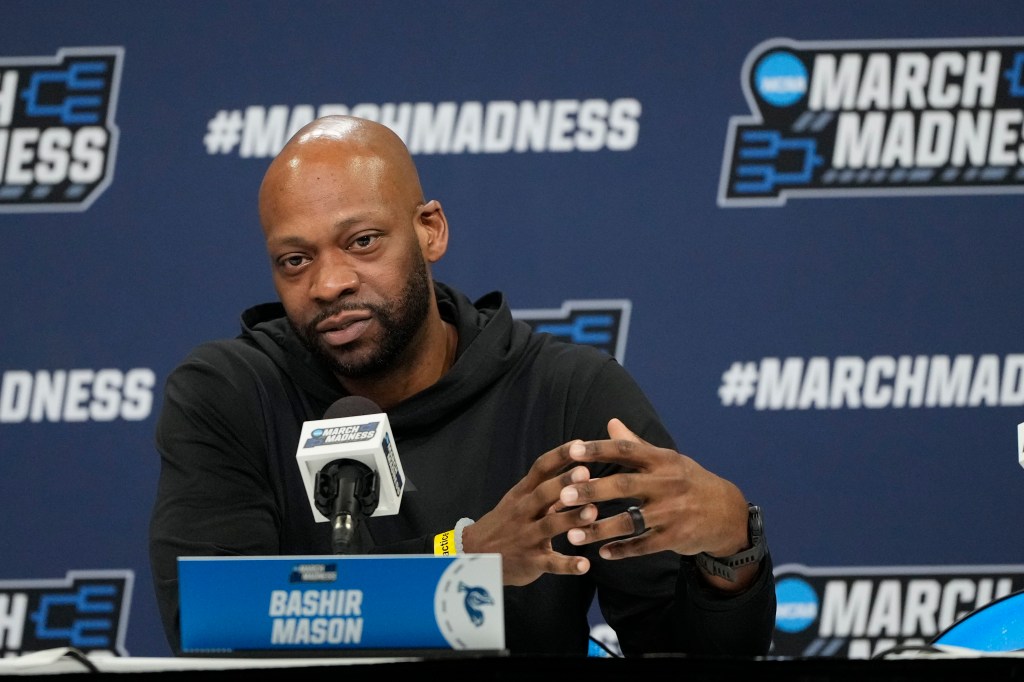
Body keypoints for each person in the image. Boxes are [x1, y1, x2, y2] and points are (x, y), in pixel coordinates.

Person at [148, 115, 776, 657]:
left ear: (430, 230)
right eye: (295, 260)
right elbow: (212, 618)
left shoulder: (565, 394)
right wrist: (466, 558)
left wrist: (730, 554)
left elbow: (676, 648)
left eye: (362, 242)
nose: (328, 283)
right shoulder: (229, 392)